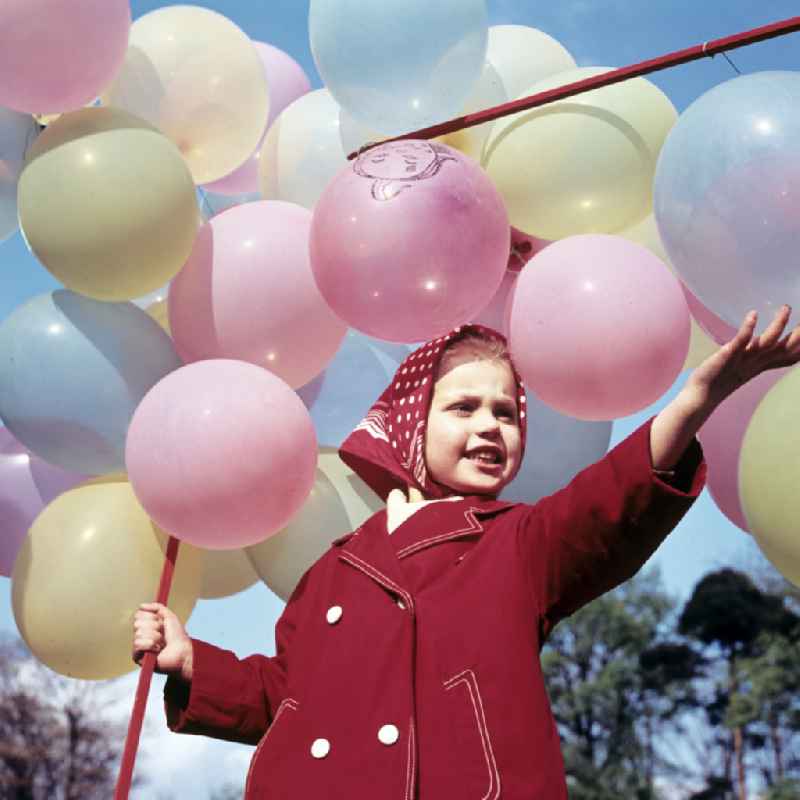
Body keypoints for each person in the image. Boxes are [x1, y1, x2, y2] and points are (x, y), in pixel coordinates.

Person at [133, 306, 800, 799]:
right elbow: (286, 697)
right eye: (464, 409)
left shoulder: (518, 542)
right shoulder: (330, 571)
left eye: (506, 414)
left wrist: (695, 401)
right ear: (409, 427)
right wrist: (191, 661)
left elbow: (606, 504)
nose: (490, 426)